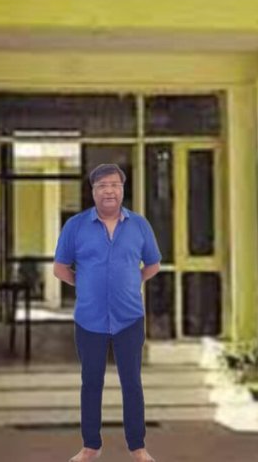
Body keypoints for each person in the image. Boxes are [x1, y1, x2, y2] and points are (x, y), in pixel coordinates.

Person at [53, 163, 161, 462]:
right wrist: (84, 284)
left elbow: (152, 264)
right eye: (102, 186)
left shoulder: (140, 225)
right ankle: (90, 446)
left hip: (130, 318)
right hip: (89, 319)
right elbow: (60, 268)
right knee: (91, 383)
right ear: (93, 192)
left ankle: (138, 448)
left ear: (122, 189)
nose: (109, 191)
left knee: (132, 382)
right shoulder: (75, 226)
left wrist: (132, 281)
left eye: (114, 185)